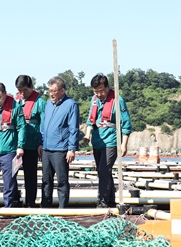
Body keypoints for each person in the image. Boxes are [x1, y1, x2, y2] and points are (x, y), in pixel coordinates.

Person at [83, 73, 132, 208]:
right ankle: (110, 200)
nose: (99, 94)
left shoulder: (118, 100)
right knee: (102, 171)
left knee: (104, 169)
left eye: (101, 91)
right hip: (98, 140)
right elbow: (90, 120)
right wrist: (87, 135)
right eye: (96, 92)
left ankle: (102, 202)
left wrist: (124, 144)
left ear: (108, 87)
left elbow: (126, 124)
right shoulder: (94, 100)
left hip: (111, 140)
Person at [40, 76, 79, 208]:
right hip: (46, 149)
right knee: (46, 181)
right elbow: (43, 124)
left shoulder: (71, 105)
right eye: (50, 90)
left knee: (62, 181)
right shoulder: (48, 104)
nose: (51, 93)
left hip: (61, 149)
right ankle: (45, 207)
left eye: (54, 91)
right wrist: (41, 142)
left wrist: (71, 148)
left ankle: (63, 209)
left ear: (62, 91)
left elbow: (74, 128)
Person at [15, 75, 46, 208]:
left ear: (32, 88)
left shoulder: (40, 103)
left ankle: (30, 202)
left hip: (32, 145)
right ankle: (15, 200)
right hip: (16, 146)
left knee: (31, 176)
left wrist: (41, 143)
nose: (22, 94)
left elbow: (44, 125)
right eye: (19, 90)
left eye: (25, 90)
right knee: (12, 174)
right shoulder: (15, 102)